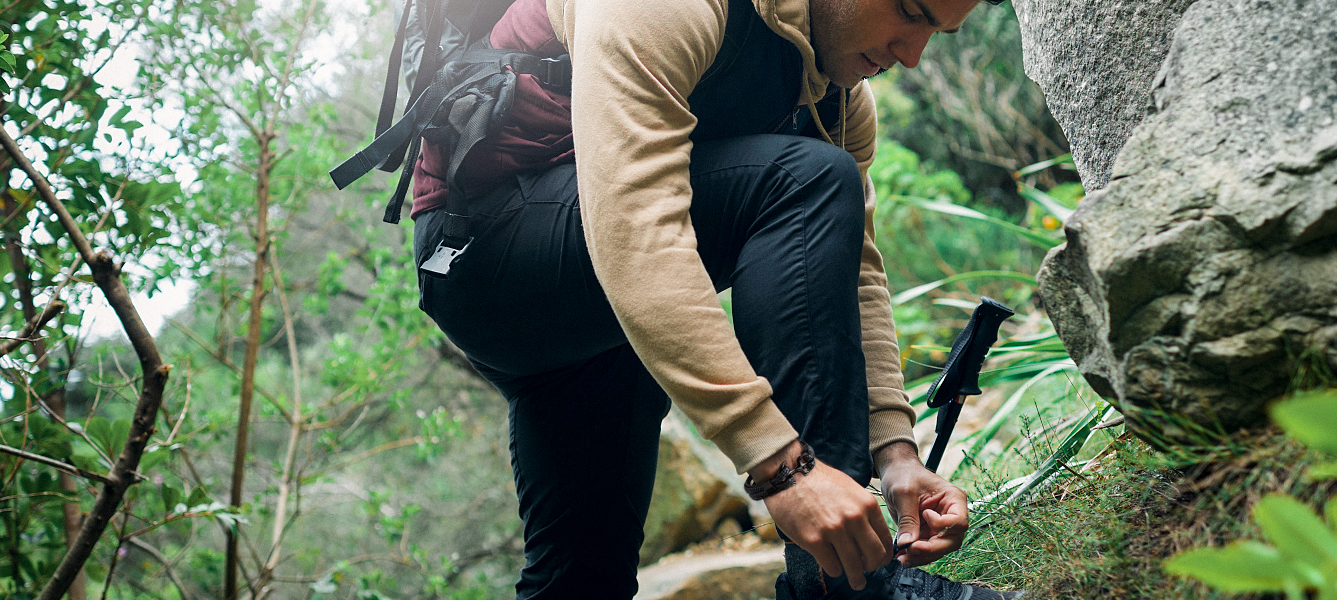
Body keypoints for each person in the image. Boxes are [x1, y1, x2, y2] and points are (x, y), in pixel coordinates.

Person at [405, 0, 1018, 596]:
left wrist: (896, 452)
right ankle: (851, 585)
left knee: (583, 579)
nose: (912, 55)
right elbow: (638, 233)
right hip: (490, 254)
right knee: (808, 179)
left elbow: (850, 268)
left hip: (600, 310)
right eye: (910, 12)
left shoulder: (834, 100)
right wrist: (785, 470)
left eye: (938, 32)